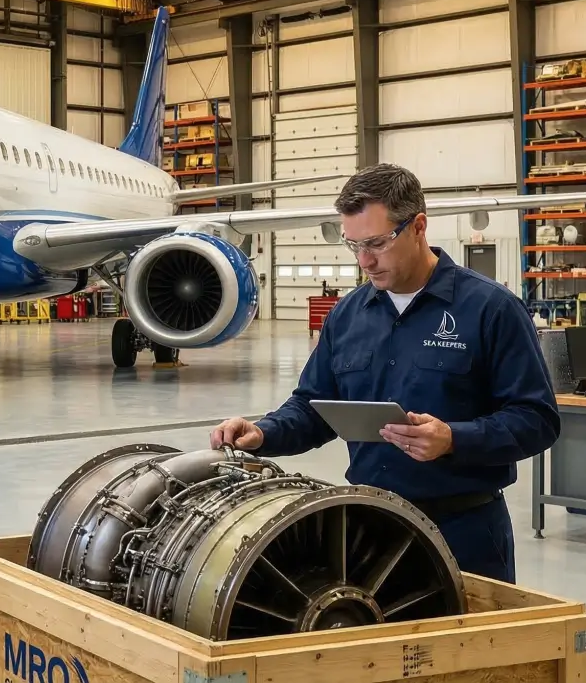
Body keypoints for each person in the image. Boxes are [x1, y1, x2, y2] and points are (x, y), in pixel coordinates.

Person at [210, 164, 560, 583]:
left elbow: (537, 419)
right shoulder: (348, 315)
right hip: (370, 530)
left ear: (418, 227)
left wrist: (453, 439)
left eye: (376, 243)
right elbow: (314, 407)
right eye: (353, 245)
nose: (365, 261)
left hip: (464, 532)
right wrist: (263, 433)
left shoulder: (491, 310)